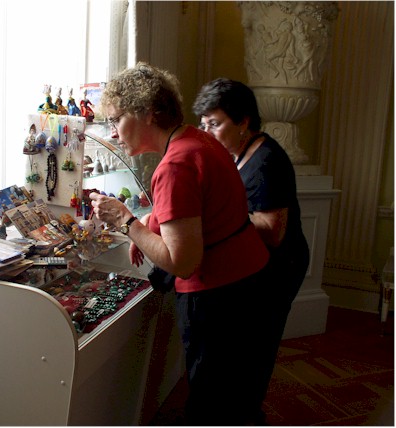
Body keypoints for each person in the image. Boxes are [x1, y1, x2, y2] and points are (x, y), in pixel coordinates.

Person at [89, 62, 271, 425]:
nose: (113, 132)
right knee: (238, 395)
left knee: (212, 404)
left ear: (147, 112)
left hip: (219, 296)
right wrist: (149, 223)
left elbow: (182, 263)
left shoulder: (175, 165)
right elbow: (195, 206)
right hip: (247, 283)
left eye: (117, 119)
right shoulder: (197, 140)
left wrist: (127, 222)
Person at [193, 77, 310, 424]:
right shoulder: (237, 153)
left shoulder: (267, 160)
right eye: (203, 125)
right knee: (242, 352)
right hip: (258, 266)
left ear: (243, 122)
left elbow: (272, 231)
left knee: (256, 350)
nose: (207, 133)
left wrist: (216, 214)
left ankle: (246, 416)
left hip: (279, 267)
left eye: (215, 124)